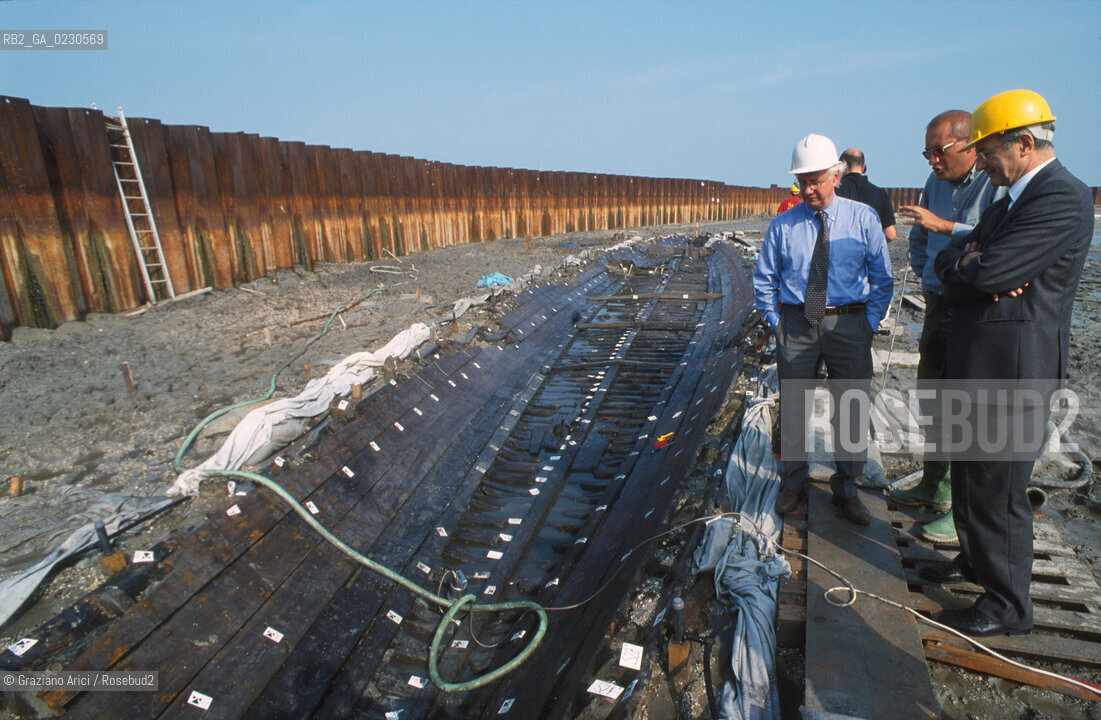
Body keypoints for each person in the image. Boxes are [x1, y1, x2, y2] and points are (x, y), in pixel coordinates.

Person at [925, 90, 1092, 637]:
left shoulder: (1061, 198)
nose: (981, 160)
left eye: (988, 149)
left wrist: (976, 267)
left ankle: (1008, 607)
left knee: (999, 490)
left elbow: (988, 273)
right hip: (982, 363)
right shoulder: (1009, 199)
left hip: (1014, 372)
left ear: (1024, 143)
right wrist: (970, 263)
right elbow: (960, 258)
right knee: (973, 479)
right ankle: (976, 563)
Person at [754, 134, 893, 525]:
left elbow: (882, 278)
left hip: (850, 322)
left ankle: (847, 487)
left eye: (817, 180)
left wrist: (868, 323)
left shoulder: (863, 219)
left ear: (837, 175)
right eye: (802, 182)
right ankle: (793, 483)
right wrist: (777, 323)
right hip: (796, 323)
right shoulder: (783, 225)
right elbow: (764, 279)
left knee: (850, 408)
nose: (809, 190)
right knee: (794, 406)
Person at [890, 110, 1004, 544]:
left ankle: (960, 511)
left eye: (940, 151)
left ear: (971, 146)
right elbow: (920, 235)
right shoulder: (935, 183)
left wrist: (947, 226)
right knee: (932, 395)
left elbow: (999, 236)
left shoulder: (995, 182)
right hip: (939, 301)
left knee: (964, 407)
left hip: (973, 308)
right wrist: (924, 272)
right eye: (928, 152)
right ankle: (934, 486)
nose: (933, 161)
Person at [836, 149, 897, 242]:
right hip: (868, 253)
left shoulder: (833, 191)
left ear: (841, 167)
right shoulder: (880, 193)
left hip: (839, 251)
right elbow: (890, 234)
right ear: (863, 167)